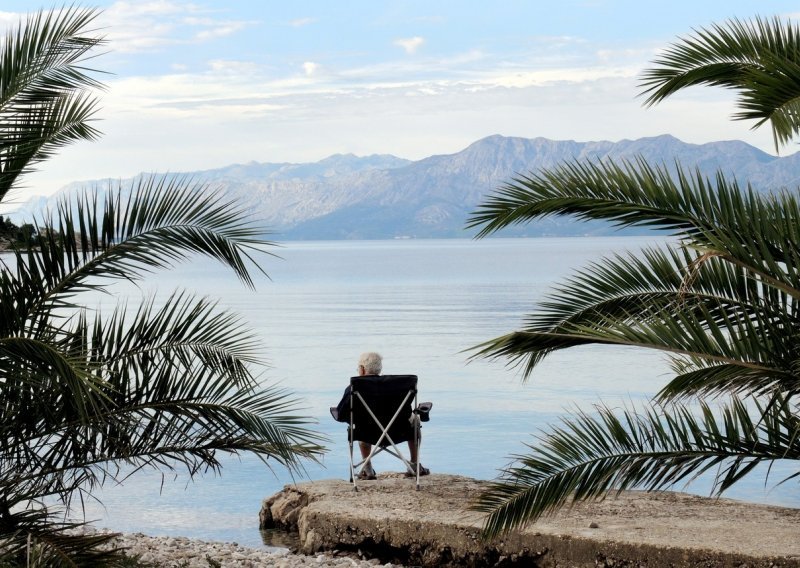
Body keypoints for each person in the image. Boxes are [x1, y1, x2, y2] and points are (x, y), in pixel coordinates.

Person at [335, 352, 429, 480]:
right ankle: (414, 465)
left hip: (367, 433)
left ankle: (367, 470)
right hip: (400, 430)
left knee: (361, 422)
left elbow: (341, 415)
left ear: (362, 369)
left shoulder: (354, 387)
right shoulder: (401, 385)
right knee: (415, 420)